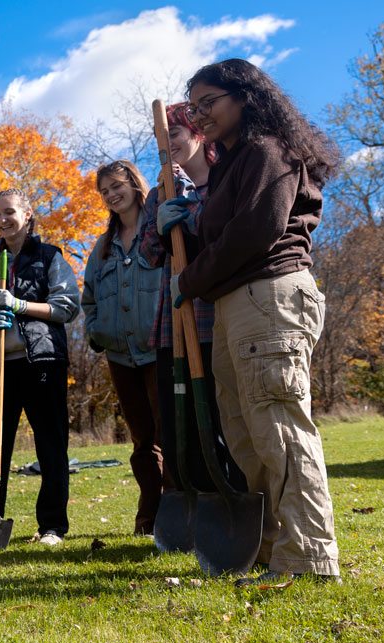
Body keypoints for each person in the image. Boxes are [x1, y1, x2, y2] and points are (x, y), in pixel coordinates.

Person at [172, 58, 342, 584]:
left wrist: (189, 279)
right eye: (193, 108)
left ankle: (310, 558)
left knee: (279, 428)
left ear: (244, 95)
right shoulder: (232, 162)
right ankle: (271, 548)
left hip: (269, 294)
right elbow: (216, 234)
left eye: (209, 103)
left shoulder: (272, 151)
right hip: (231, 305)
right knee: (245, 434)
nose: (200, 117)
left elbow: (256, 231)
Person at [0, 188, 78, 551]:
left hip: (42, 361)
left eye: (8, 212)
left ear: (27, 214)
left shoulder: (48, 257)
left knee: (51, 446)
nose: (2, 219)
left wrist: (20, 304)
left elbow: (66, 306)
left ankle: (53, 525)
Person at [139, 103, 246, 497]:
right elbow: (149, 256)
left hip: (220, 317)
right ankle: (200, 505)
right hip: (177, 324)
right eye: (160, 140)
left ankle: (239, 499)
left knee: (225, 418)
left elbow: (234, 242)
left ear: (198, 135)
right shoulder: (157, 194)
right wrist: (162, 226)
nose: (168, 146)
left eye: (176, 136)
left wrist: (193, 220)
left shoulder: (225, 183)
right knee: (178, 420)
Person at [81, 160, 169, 535]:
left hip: (159, 350)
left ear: (134, 184)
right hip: (120, 356)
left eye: (116, 185)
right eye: (104, 191)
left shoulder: (159, 233)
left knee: (172, 436)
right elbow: (89, 300)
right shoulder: (103, 247)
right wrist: (96, 332)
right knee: (141, 442)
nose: (111, 195)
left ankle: (177, 514)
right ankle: (148, 519)